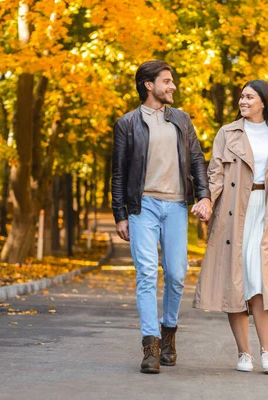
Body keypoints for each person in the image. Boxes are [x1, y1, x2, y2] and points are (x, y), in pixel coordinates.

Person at [193, 79, 268, 374]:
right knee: (236, 282)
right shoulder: (227, 133)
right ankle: (244, 354)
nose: (243, 101)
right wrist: (206, 202)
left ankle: (267, 352)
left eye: (249, 97)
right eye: (241, 97)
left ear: (264, 102)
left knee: (261, 283)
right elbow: (215, 173)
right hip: (233, 213)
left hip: (265, 215)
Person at [111, 60, 212, 374]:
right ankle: (150, 347)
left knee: (177, 274)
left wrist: (204, 196)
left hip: (177, 207)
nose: (173, 86)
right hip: (143, 208)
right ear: (148, 85)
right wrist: (120, 214)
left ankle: (169, 334)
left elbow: (197, 160)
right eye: (167, 81)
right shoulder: (127, 123)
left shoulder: (182, 120)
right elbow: (118, 172)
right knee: (146, 274)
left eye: (172, 81)